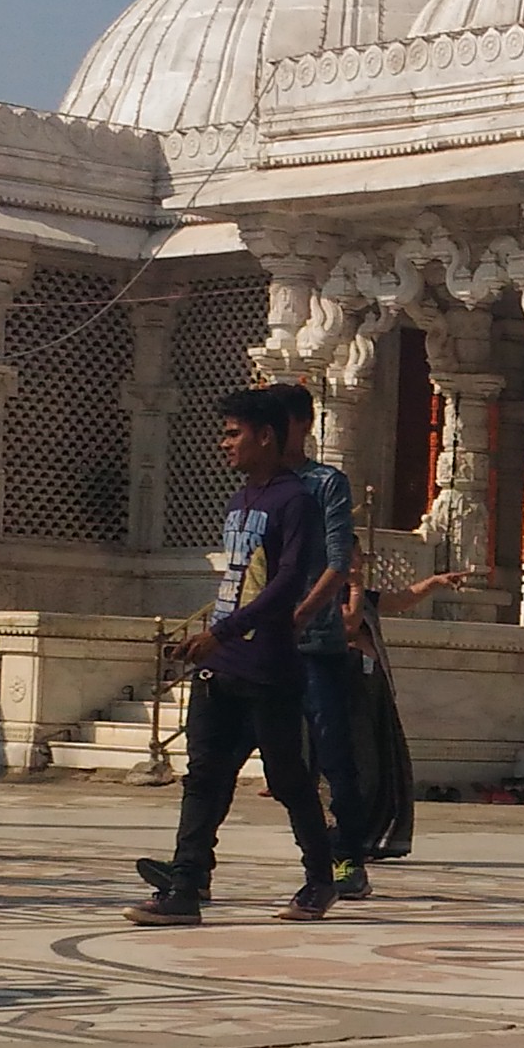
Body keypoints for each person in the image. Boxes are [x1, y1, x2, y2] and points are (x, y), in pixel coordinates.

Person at [123, 385, 342, 924]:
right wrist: (210, 637)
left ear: (265, 436)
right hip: (221, 665)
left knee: (289, 779)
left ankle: (321, 878)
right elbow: (239, 581)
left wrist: (226, 633)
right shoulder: (241, 500)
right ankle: (187, 884)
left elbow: (287, 584)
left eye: (232, 433)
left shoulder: (296, 502)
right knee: (204, 778)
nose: (224, 444)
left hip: (268, 667)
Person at [273, 390, 375, 897]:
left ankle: (346, 859)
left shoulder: (324, 483)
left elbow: (340, 562)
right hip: (258, 643)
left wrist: (299, 616)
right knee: (220, 756)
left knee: (334, 754)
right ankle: (193, 866)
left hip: (315, 643)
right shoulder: (261, 483)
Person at [330, 563, 469, 866]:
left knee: (382, 766)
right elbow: (349, 626)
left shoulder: (365, 596)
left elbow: (399, 600)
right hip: (345, 687)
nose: (356, 565)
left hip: (373, 686)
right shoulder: (325, 596)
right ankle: (341, 838)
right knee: (357, 767)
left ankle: (369, 836)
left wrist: (434, 582)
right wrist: (352, 587)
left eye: (359, 558)